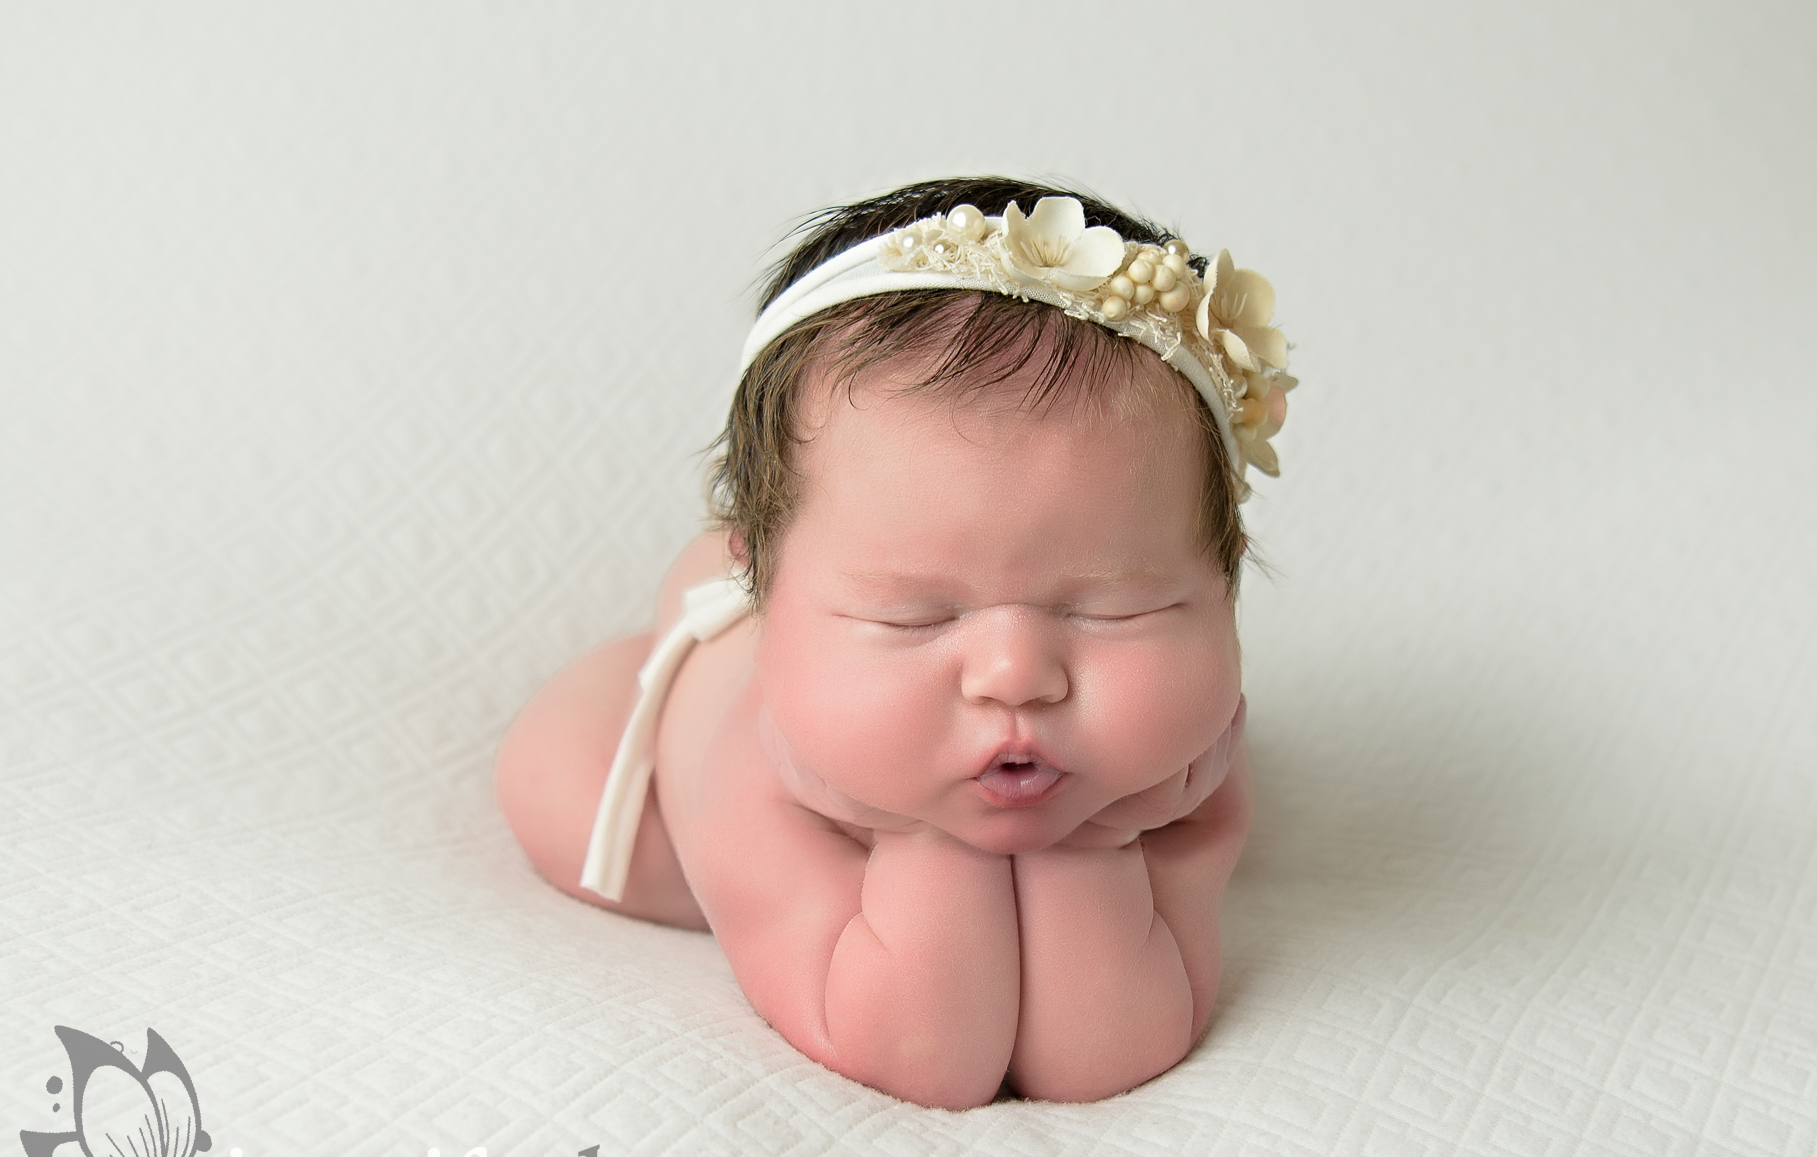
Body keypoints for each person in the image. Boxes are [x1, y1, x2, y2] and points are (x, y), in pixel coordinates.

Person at [496, 177, 1294, 1109]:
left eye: (1112, 610)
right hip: (665, 747)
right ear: (767, 596)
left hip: (828, 600)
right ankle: (730, 603)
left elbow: (1102, 1048)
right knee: (553, 785)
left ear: (1223, 584)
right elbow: (924, 1056)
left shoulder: (1185, 756)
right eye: (919, 616)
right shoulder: (755, 774)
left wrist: (1102, 835)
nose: (1015, 676)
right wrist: (920, 832)